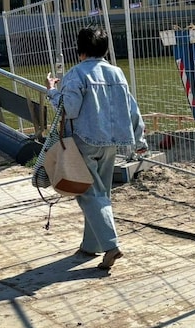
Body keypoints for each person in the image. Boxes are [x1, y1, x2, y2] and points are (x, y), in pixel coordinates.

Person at [45, 27, 147, 271]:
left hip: (85, 140)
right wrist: (140, 140)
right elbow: (132, 108)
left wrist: (51, 90)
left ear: (80, 50)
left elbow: (69, 109)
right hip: (112, 141)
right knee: (102, 192)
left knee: (88, 194)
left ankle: (111, 244)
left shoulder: (76, 74)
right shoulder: (117, 73)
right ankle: (90, 245)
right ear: (105, 49)